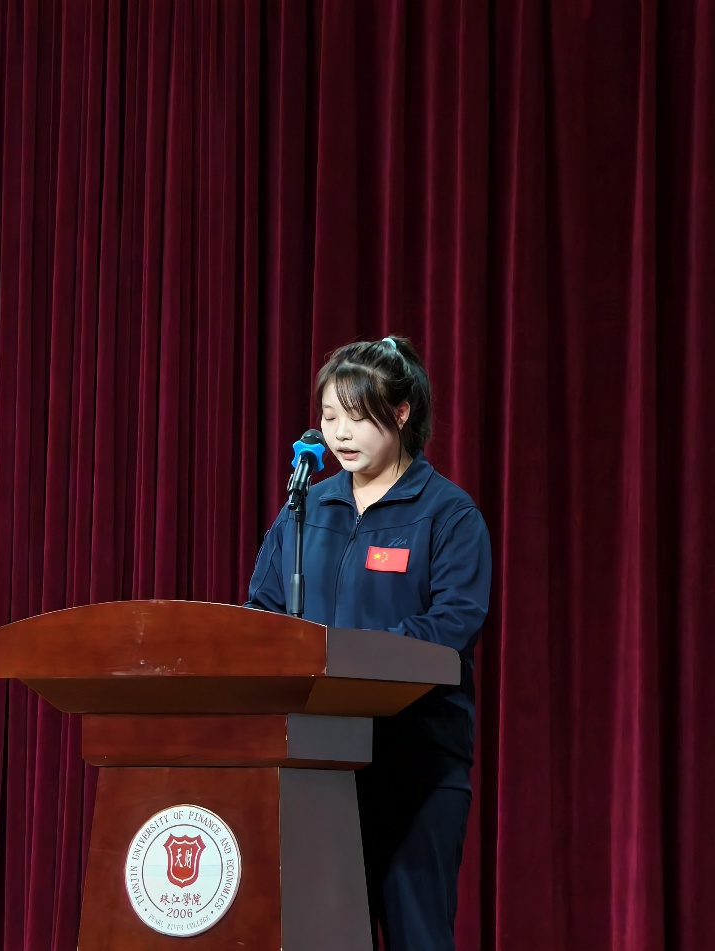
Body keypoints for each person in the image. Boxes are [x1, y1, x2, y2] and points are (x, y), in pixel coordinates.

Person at [246, 335, 492, 951]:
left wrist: (348, 660)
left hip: (415, 761)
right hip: (316, 763)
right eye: (330, 416)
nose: (340, 434)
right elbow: (262, 614)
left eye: (357, 417)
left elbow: (452, 623)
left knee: (417, 934)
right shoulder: (305, 509)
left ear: (401, 413)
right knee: (322, 936)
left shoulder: (448, 514)